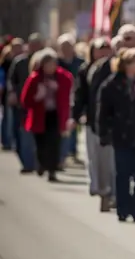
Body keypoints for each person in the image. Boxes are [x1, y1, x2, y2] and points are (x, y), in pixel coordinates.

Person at [98, 48, 135, 223]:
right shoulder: (111, 84)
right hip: (121, 136)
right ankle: (122, 209)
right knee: (123, 175)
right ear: (124, 64)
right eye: (133, 62)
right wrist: (104, 133)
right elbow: (103, 112)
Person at [72, 37, 113, 211]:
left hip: (110, 122)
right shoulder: (85, 69)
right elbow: (80, 95)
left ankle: (109, 191)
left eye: (106, 48)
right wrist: (75, 117)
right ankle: (97, 186)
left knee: (109, 159)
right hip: (91, 120)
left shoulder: (114, 68)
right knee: (93, 156)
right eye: (99, 48)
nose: (103, 52)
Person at [21, 49, 73, 182]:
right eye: (47, 64)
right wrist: (38, 96)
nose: (51, 67)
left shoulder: (63, 77)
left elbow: (68, 91)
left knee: (54, 143)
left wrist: (57, 88)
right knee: (41, 143)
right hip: (40, 115)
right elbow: (25, 100)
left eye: (53, 64)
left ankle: (52, 170)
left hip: (55, 115)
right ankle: (41, 164)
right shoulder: (35, 78)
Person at [7, 33, 45, 174]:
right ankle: (26, 160)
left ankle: (33, 164)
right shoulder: (20, 62)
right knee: (19, 133)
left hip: (39, 105)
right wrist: (12, 94)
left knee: (35, 134)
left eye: (37, 45)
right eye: (32, 44)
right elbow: (12, 79)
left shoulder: (44, 62)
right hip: (20, 103)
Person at [57, 33, 84, 166]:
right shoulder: (56, 62)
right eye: (64, 46)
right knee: (62, 126)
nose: (66, 49)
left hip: (76, 97)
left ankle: (73, 151)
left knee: (74, 125)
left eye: (69, 46)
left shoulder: (80, 62)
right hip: (61, 98)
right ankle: (63, 153)